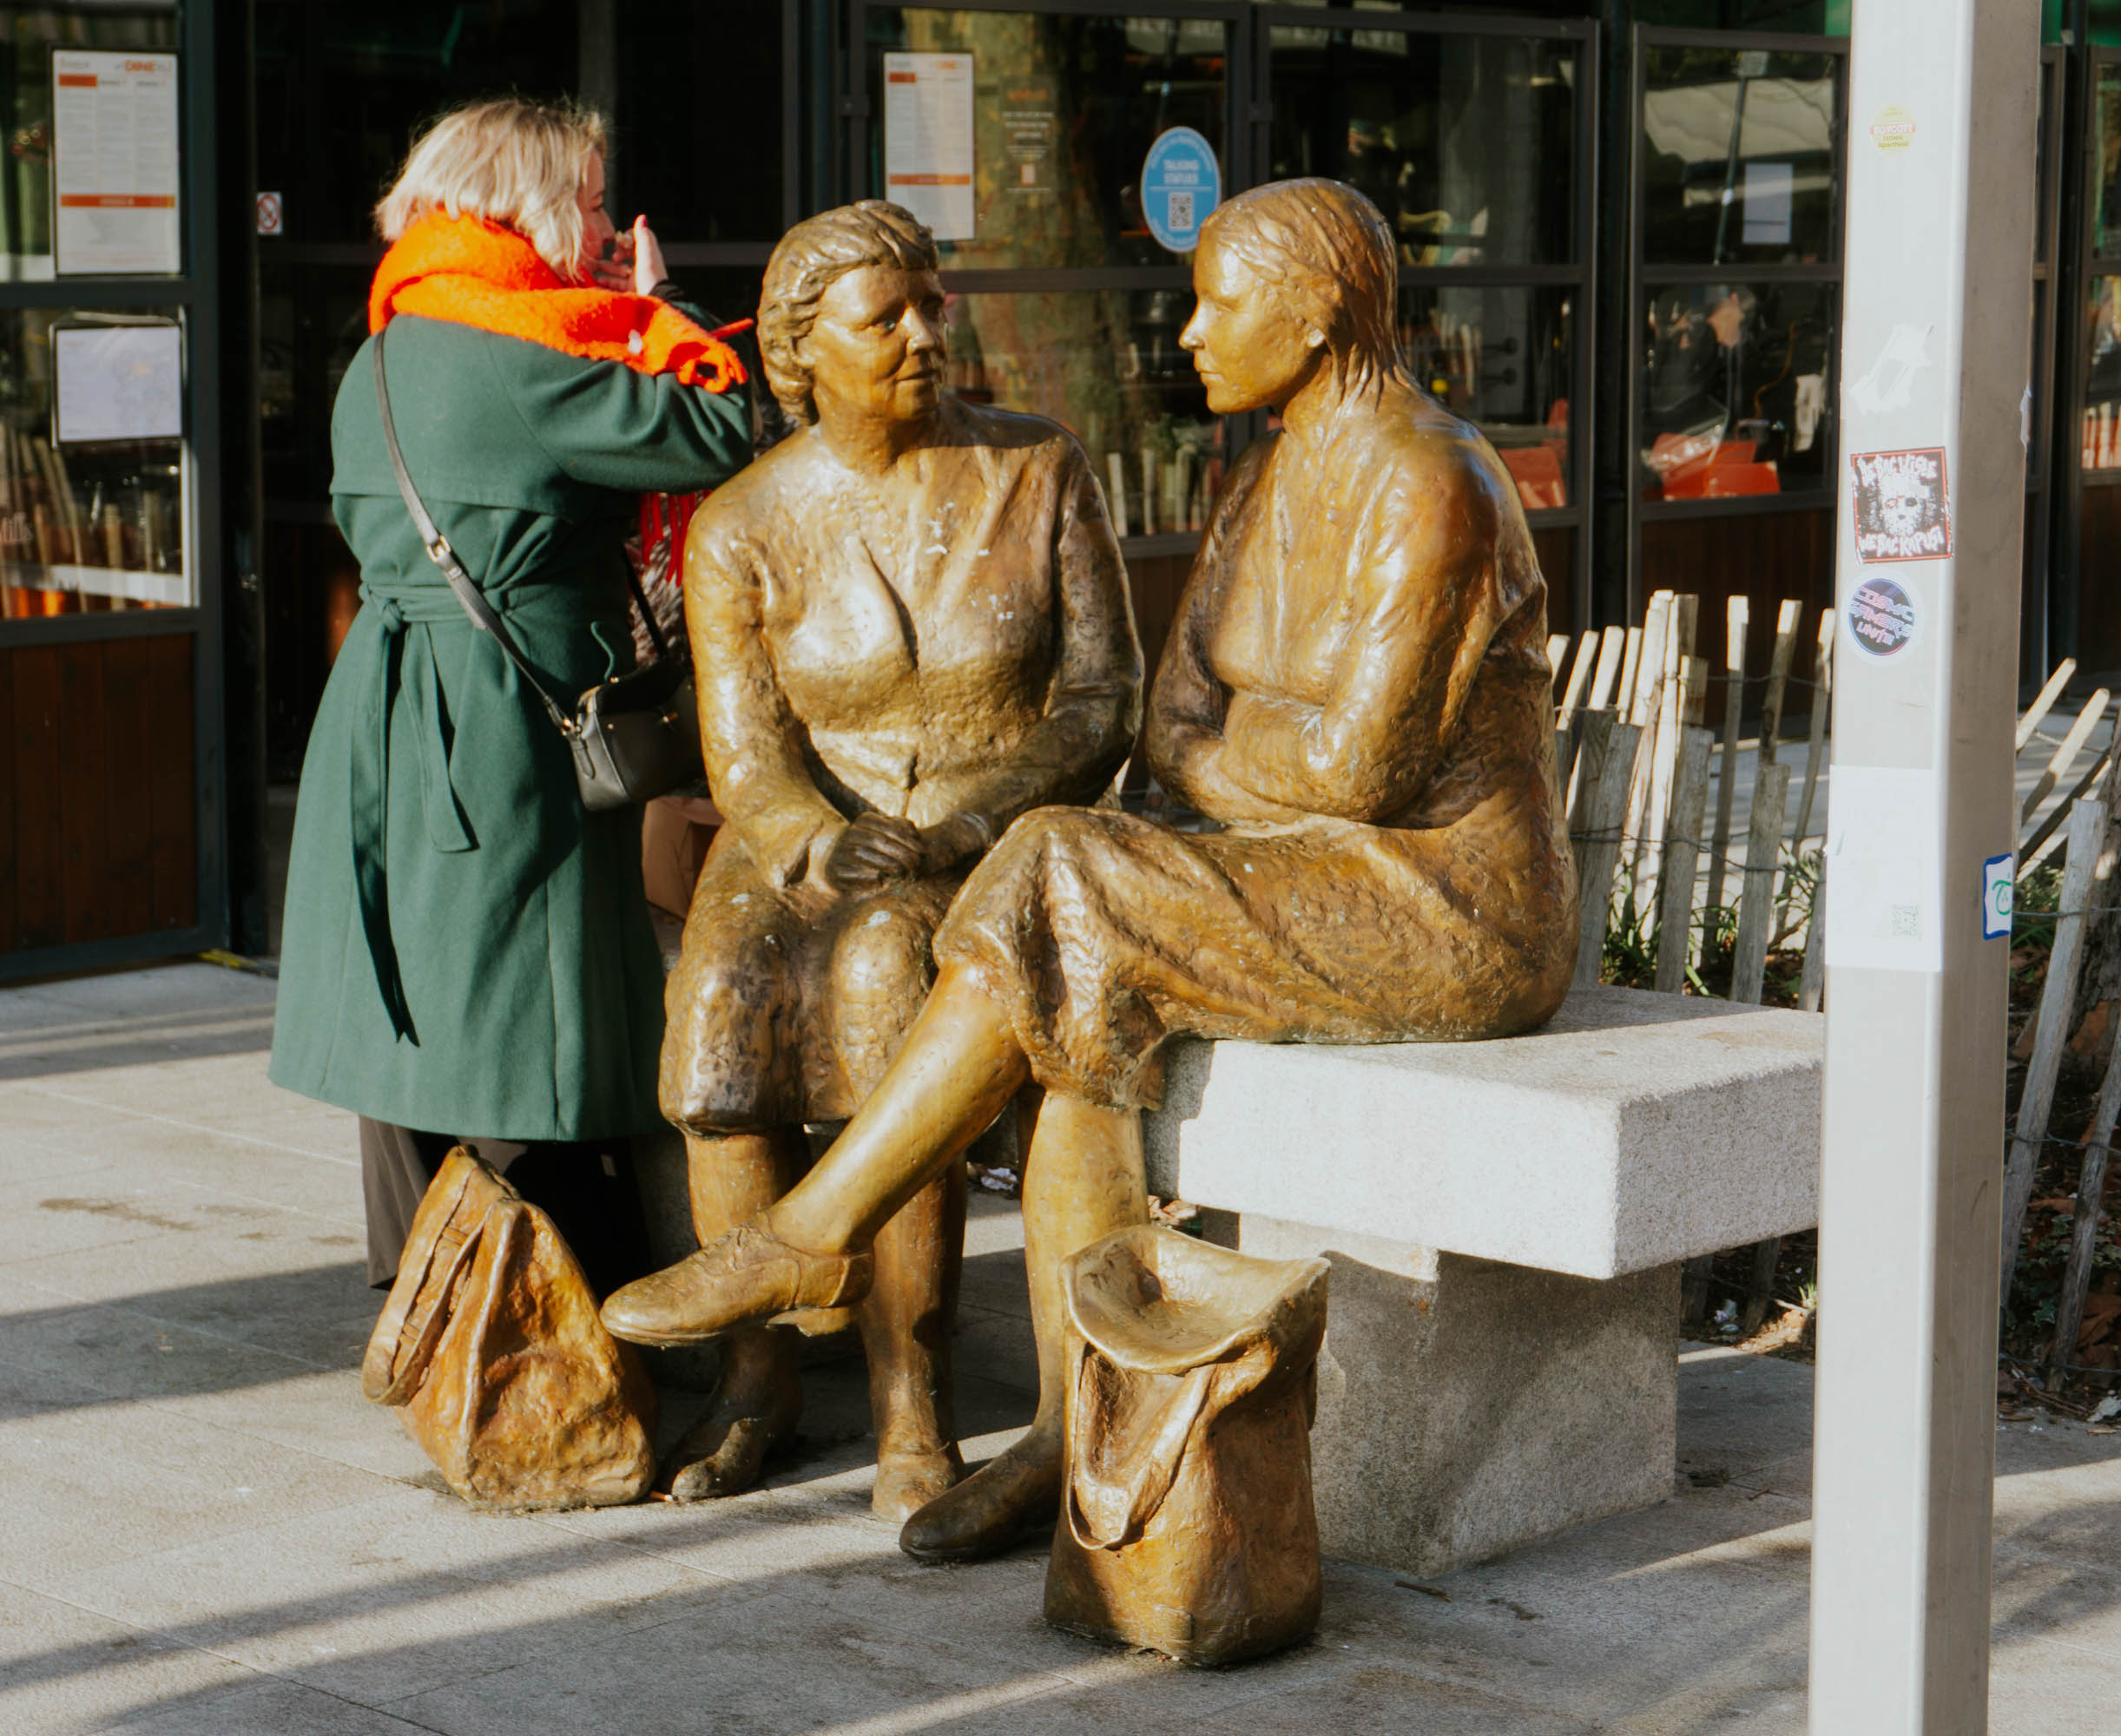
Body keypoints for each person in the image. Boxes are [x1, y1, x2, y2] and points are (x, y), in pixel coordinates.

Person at [603, 177, 1577, 1562]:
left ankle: (817, 1227)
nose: (1189, 334)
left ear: (1312, 315)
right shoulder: (1266, 476)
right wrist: (1258, 750)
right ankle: (1074, 1428)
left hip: (1446, 904)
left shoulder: (1431, 486)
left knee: (1057, 862)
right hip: (1299, 863)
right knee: (1070, 1019)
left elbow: (1354, 773)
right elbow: (1177, 733)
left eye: (1218, 304)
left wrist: (1236, 752)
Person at [656, 201, 1142, 1518]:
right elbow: (745, 753)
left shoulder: (1036, 468)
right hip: (810, 832)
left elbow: (1104, 697)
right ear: (803, 353)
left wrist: (971, 817)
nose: (926, 334)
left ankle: (909, 1400)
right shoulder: (743, 522)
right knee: (717, 1018)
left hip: (991, 825)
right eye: (887, 319)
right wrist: (812, 838)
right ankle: (754, 1380)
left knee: (885, 978)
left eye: (932, 304)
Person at [269, 97, 753, 1291]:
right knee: (527, 1014)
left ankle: (422, 1295)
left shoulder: (386, 346)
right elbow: (722, 427)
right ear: (526, 203)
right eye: (588, 201)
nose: (605, 229)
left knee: (413, 996)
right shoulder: (525, 361)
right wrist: (663, 308)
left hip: (386, 703)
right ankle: (554, 1310)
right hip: (503, 719)